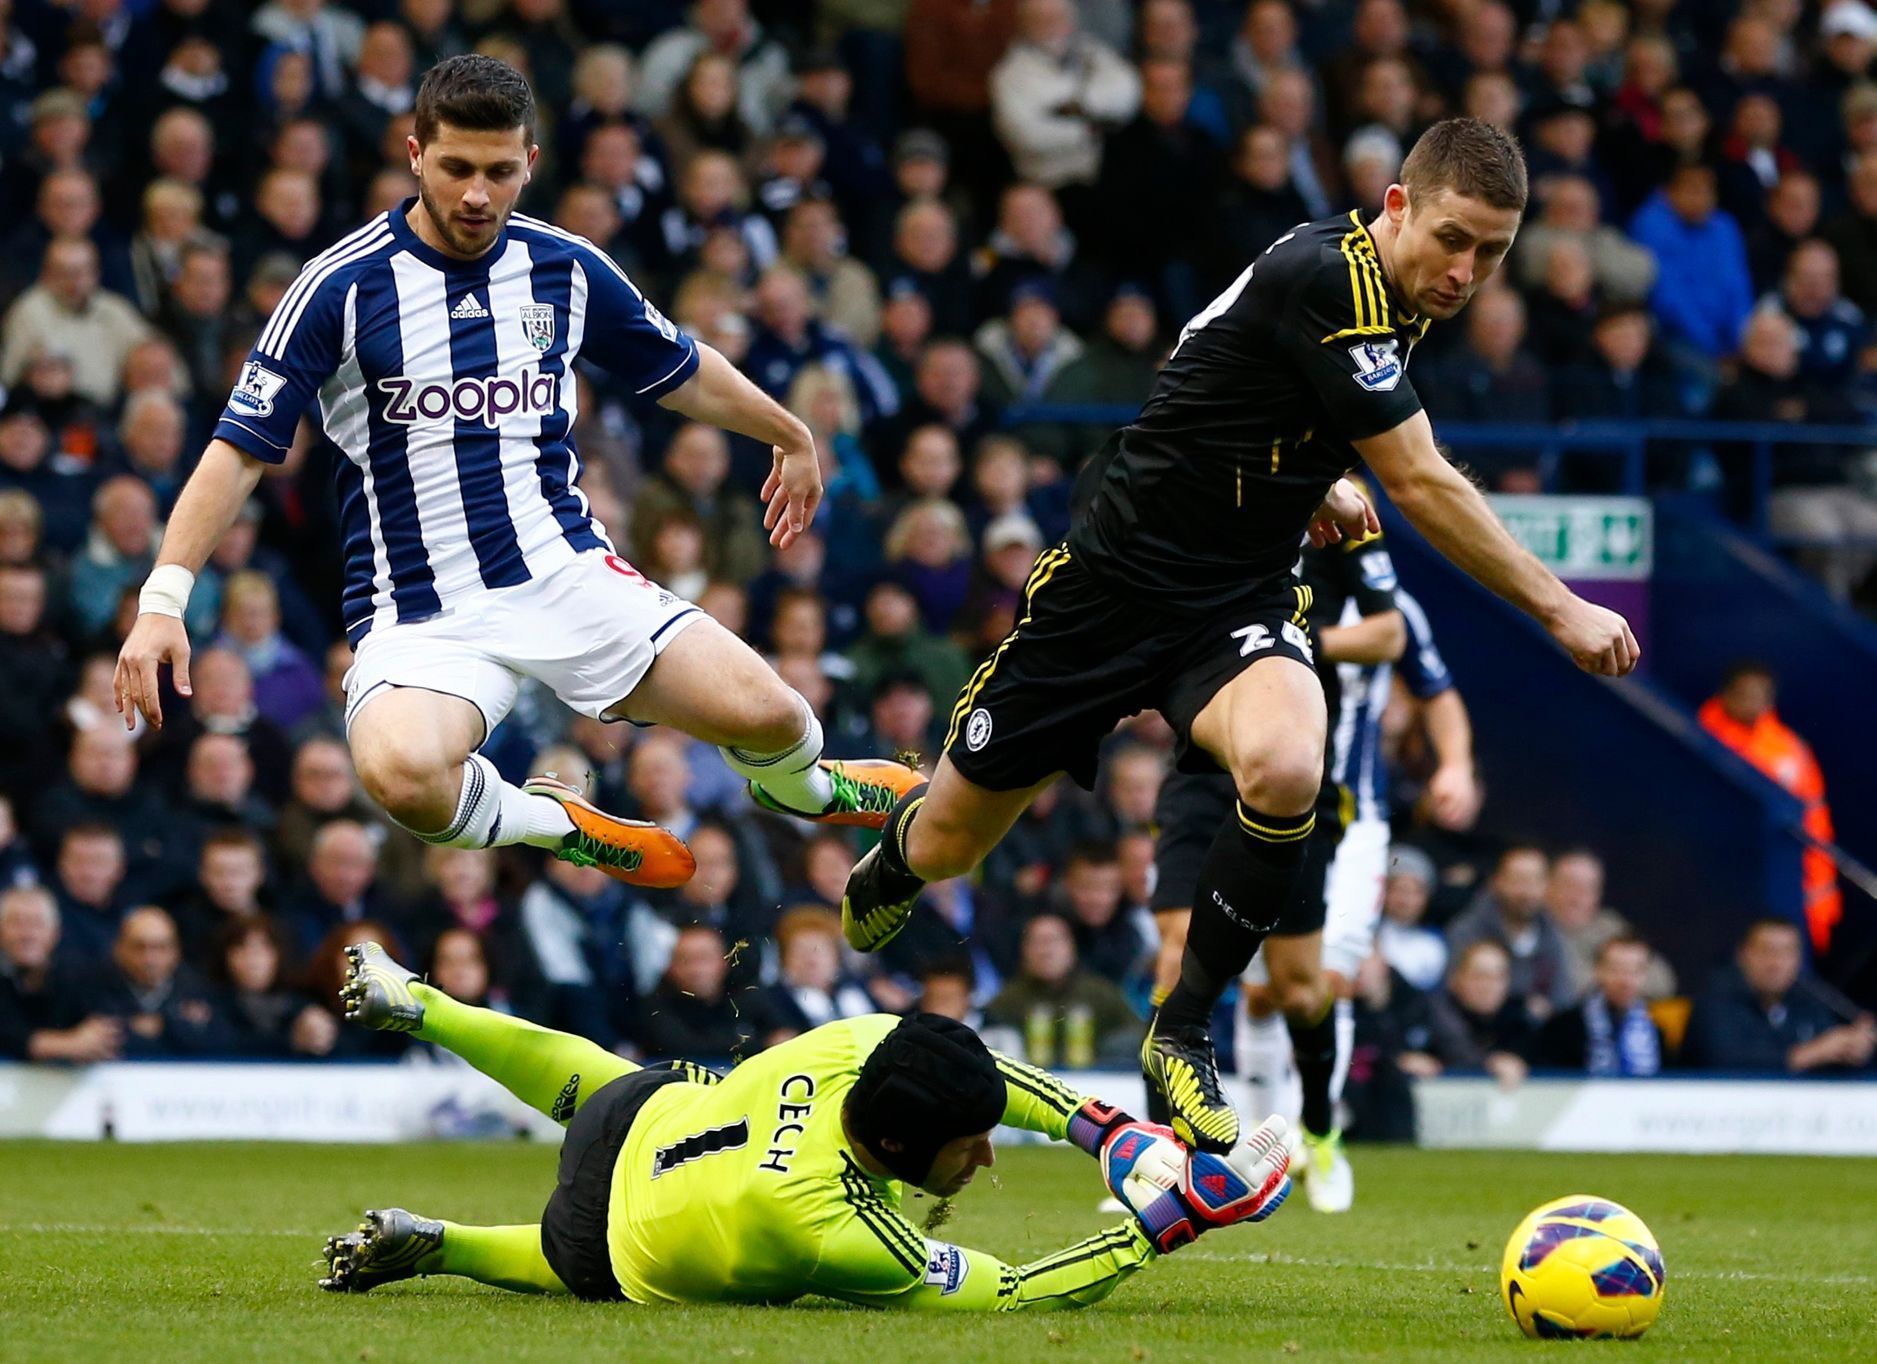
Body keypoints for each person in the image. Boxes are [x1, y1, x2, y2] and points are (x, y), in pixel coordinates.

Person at [841, 119, 1636, 1161]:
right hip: (1106, 591)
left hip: (1231, 596)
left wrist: (1311, 473)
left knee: (1285, 762)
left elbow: (1223, 370)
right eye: (1451, 238)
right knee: (951, 842)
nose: (1465, 270)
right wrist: (1560, 606)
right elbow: (1423, 479)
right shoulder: (1331, 281)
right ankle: (891, 856)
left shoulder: (1394, 295)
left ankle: (1181, 1027)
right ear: (1394, 205)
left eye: (1490, 252)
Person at [113, 56, 921, 897]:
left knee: (778, 717)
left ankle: (816, 791)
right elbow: (239, 449)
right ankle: (559, 822)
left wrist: (788, 431)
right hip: (419, 610)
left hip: (562, 572)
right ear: (415, 152)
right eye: (456, 168)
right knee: (404, 779)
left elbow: (678, 367)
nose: (476, 194)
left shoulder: (563, 268)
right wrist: (162, 605)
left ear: (529, 163)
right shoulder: (340, 286)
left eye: (499, 172)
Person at [320, 939, 1292, 1303]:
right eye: (972, 1141)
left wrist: (1105, 1129)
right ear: (907, 1147)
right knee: (562, 1251)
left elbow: (976, 1067)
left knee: (600, 1082)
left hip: (650, 1104)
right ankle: (438, 1243)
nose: (987, 1149)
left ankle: (425, 1005)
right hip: (605, 1239)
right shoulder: (840, 1226)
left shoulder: (858, 1039)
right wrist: (1159, 1227)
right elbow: (1015, 1291)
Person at [1151, 520, 1467, 1212]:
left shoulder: (1378, 607)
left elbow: (1431, 683)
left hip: (1345, 813)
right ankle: (1245, 1148)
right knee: (1252, 988)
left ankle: (1317, 1133)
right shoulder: (1246, 575)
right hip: (1229, 790)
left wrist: (1458, 765)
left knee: (1316, 983)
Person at [1698, 662, 1842, 954]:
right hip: (1717, 879)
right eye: (1744, 694)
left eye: (1761, 695)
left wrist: (1821, 899)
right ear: (1726, 694)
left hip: (1777, 878)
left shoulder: (1791, 750)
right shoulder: (1702, 738)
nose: (1753, 703)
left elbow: (1815, 824)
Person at [1682, 918, 1875, 1073]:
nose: (1776, 964)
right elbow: (1726, 1059)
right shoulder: (1713, 1001)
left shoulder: (1807, 1003)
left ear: (1799, 960)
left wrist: (1853, 1049)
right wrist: (1811, 1053)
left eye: (1787, 953)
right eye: (1767, 951)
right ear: (1743, 955)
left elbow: (1830, 1047)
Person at [1444, 847, 1575, 1023]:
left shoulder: (1551, 935)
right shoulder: (1466, 931)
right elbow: (1450, 998)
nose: (1526, 892)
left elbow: (1563, 1001)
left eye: (1535, 881)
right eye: (1518, 880)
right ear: (1497, 881)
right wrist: (1521, 1008)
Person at [1533, 934, 1664, 1076]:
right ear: (1598, 970)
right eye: (1617, 969)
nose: (1626, 981)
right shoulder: (1565, 1027)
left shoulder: (1656, 1030)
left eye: (1636, 971)